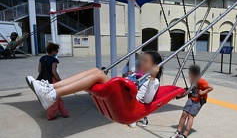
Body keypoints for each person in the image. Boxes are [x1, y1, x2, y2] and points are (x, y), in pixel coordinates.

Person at [26, 51, 162, 128]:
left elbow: (148, 100)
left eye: (146, 61)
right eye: (142, 59)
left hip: (127, 105)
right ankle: (50, 88)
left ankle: (53, 94)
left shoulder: (153, 81)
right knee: (95, 71)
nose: (141, 62)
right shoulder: (135, 74)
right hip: (121, 97)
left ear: (154, 66)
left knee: (98, 74)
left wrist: (152, 77)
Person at [170, 65, 213, 138]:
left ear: (194, 73)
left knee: (190, 116)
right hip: (191, 98)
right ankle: (178, 131)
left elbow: (211, 87)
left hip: (198, 100)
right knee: (184, 114)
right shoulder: (192, 79)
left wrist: (203, 92)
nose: (189, 74)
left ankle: (185, 135)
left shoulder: (200, 81)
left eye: (190, 73)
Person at [38, 42, 70, 121]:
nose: (56, 53)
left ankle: (64, 113)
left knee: (58, 97)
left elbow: (39, 70)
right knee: (54, 98)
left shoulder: (42, 58)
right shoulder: (54, 60)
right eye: (56, 51)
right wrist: (59, 80)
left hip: (44, 80)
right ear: (53, 51)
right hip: (53, 80)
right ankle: (51, 115)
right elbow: (54, 72)